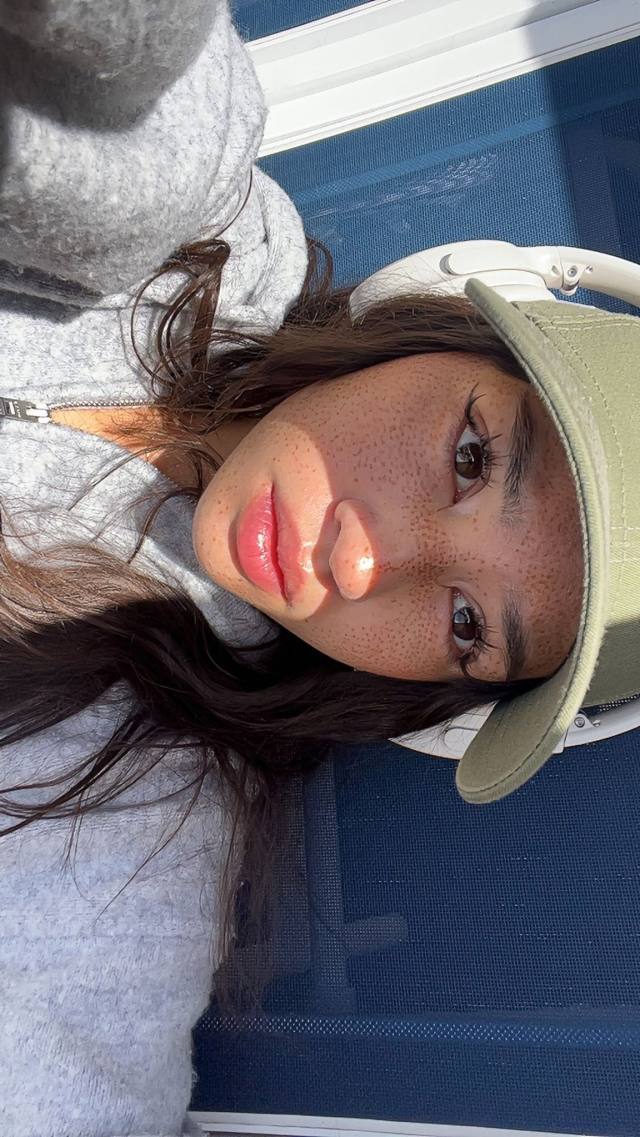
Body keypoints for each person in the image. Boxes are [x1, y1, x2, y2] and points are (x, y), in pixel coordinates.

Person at [1, 3, 639, 1135]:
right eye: (472, 456)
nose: (358, 559)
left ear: (436, 700)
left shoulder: (134, 818)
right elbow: (123, 90)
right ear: (443, 333)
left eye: (465, 625)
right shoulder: (201, 226)